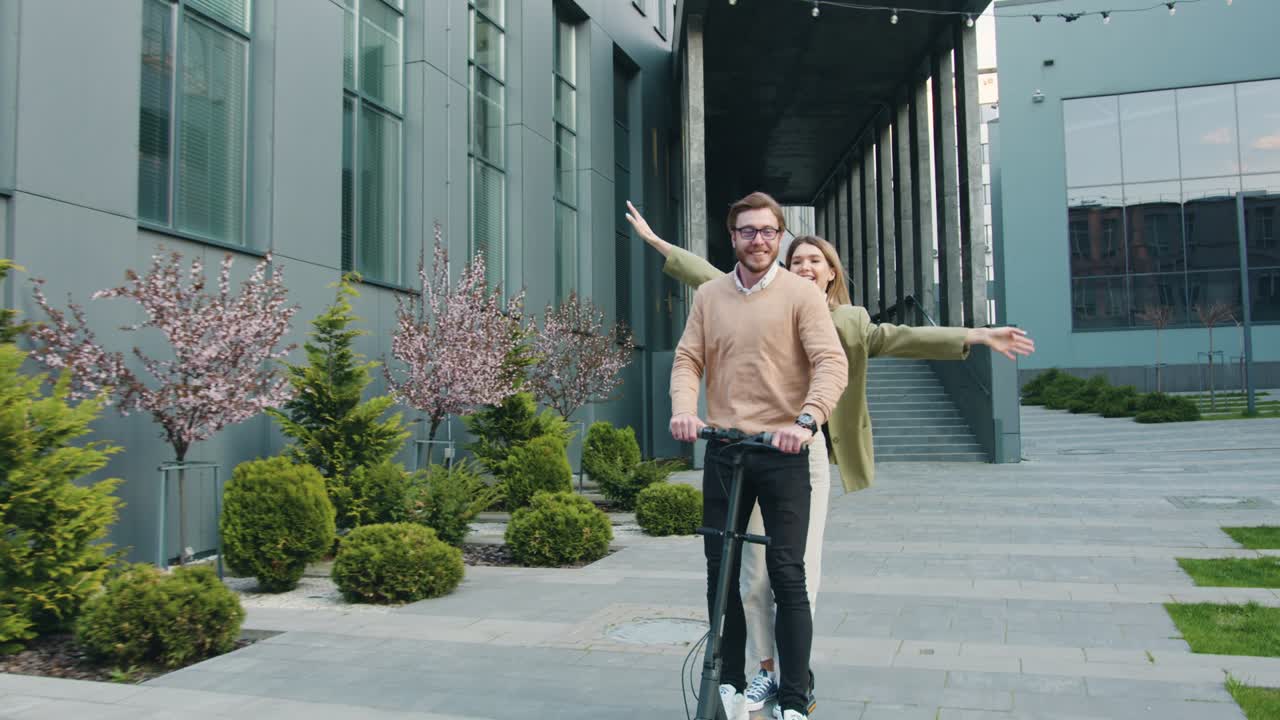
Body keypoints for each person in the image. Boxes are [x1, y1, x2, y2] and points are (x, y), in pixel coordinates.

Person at [629, 200, 1034, 717]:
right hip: (738, 445)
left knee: (793, 571)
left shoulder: (844, 318)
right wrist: (658, 243)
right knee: (745, 575)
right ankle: (765, 670)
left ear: (830, 272)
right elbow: (708, 284)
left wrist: (974, 334)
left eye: (812, 260)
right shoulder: (736, 293)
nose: (802, 265)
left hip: (801, 445)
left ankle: (796, 680)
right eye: (797, 259)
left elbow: (903, 338)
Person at [669, 191, 849, 720]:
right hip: (726, 450)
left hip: (783, 450)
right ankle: (729, 681)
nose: (758, 240)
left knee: (788, 574)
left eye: (768, 231)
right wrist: (684, 410)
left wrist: (807, 420)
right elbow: (688, 359)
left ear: (779, 236)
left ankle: (794, 697)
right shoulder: (710, 296)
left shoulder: (801, 294)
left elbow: (830, 362)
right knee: (721, 570)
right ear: (733, 237)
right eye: (747, 231)